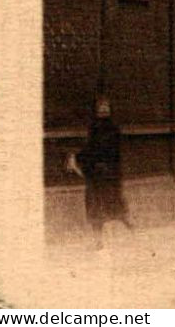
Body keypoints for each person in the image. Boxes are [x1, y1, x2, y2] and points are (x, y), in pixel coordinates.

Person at [69, 95, 132, 249]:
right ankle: (99, 241)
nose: (103, 110)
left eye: (106, 107)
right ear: (96, 110)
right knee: (95, 208)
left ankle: (133, 231)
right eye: (100, 107)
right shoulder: (93, 129)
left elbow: (108, 152)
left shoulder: (113, 129)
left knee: (114, 206)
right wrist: (79, 158)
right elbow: (90, 148)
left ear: (110, 109)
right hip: (96, 175)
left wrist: (79, 159)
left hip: (108, 174)